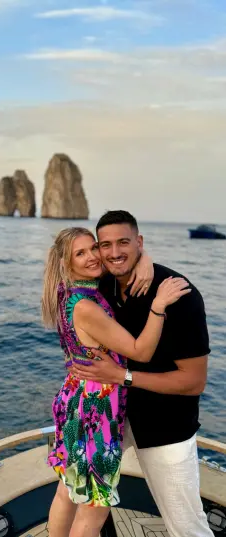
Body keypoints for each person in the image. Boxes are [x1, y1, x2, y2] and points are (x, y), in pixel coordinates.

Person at [71, 210, 213, 537]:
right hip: (110, 417)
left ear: (140, 241)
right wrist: (142, 258)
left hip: (166, 426)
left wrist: (123, 376)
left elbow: (194, 382)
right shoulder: (102, 285)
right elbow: (66, 270)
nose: (114, 252)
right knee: (83, 498)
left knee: (187, 527)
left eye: (124, 242)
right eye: (104, 245)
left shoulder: (179, 295)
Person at [41, 227, 190, 537]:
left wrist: (143, 257)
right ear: (67, 263)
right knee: (94, 510)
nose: (94, 256)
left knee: (67, 491)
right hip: (96, 412)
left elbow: (118, 262)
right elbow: (141, 351)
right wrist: (158, 305)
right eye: (80, 253)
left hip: (74, 401)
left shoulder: (67, 292)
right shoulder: (87, 308)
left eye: (93, 248)